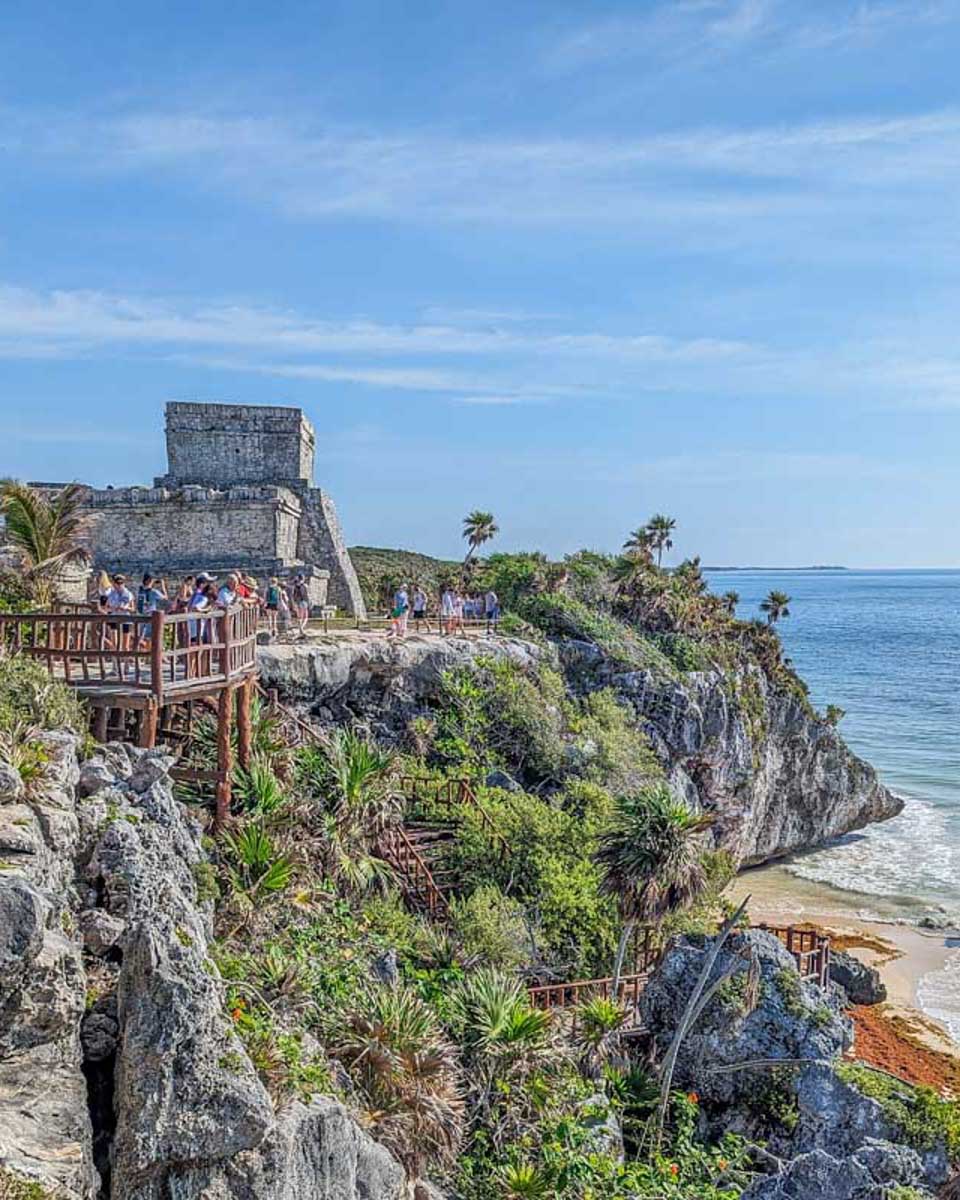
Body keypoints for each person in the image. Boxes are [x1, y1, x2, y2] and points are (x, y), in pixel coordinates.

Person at [105, 573, 135, 651]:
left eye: (121, 583)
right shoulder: (111, 594)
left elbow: (133, 609)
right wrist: (114, 608)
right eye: (118, 583)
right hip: (114, 618)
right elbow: (106, 608)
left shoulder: (129, 594)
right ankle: (115, 661)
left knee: (126, 645)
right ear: (114, 583)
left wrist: (126, 608)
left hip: (125, 619)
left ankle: (126, 662)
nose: (119, 585)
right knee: (115, 643)